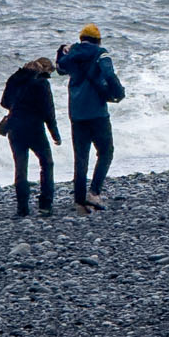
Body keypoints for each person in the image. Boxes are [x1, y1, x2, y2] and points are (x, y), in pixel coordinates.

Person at [56, 24, 125, 212]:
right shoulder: (101, 53)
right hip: (97, 113)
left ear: (81, 38)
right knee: (105, 152)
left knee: (81, 158)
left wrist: (61, 50)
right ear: (98, 39)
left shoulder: (72, 54)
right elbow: (109, 74)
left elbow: (60, 68)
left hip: (76, 113)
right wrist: (118, 94)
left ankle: (79, 201)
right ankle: (94, 193)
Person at [0, 57, 61, 217]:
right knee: (47, 163)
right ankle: (45, 204)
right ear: (45, 69)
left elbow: (4, 103)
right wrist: (55, 134)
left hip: (14, 128)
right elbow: (48, 111)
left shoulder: (14, 79)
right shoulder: (41, 83)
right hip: (34, 129)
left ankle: (22, 208)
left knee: (20, 168)